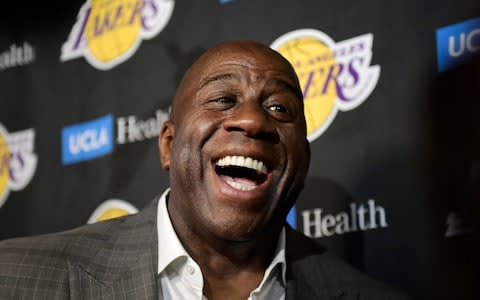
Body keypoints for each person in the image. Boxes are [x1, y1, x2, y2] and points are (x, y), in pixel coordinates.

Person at [0, 41, 410, 299]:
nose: (252, 121)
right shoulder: (16, 278)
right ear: (167, 146)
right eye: (222, 98)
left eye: (279, 108)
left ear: (302, 159)